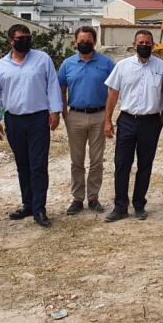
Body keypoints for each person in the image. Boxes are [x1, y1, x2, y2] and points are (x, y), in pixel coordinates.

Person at [0, 24, 62, 228]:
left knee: (38, 165)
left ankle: (40, 208)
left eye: (28, 37)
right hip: (14, 120)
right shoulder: (1, 66)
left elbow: (52, 85)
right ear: (11, 41)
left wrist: (55, 111)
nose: (25, 41)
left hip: (38, 119)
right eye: (20, 38)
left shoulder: (42, 59)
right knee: (23, 164)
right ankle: (27, 204)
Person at [102, 30, 163, 222]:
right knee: (122, 164)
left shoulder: (162, 67)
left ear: (153, 45)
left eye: (148, 43)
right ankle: (120, 206)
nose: (144, 45)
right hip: (128, 120)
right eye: (141, 42)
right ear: (134, 44)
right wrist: (107, 120)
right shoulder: (122, 66)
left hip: (151, 122)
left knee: (145, 165)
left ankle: (139, 204)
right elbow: (113, 94)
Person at [58, 26, 114, 215]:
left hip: (99, 116)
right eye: (80, 41)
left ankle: (93, 197)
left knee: (97, 160)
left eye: (88, 41)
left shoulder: (106, 63)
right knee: (77, 160)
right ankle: (77, 198)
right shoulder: (67, 64)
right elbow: (60, 88)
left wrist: (108, 117)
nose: (84, 44)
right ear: (75, 42)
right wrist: (64, 112)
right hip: (75, 116)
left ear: (95, 42)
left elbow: (114, 90)